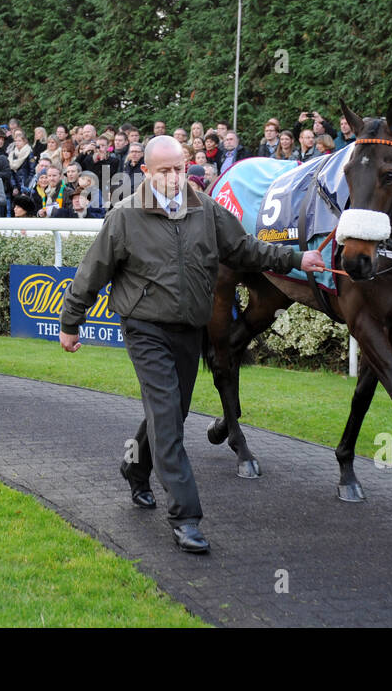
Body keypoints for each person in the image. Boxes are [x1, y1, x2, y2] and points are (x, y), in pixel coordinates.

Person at [58, 136, 327, 554]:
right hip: (144, 328)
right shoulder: (124, 217)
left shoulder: (205, 209)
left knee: (172, 413)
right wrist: (70, 322)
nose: (174, 177)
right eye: (164, 170)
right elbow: (91, 273)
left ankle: (135, 466)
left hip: (189, 329)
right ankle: (186, 517)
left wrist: (296, 260)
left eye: (179, 168)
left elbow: (243, 248)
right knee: (168, 417)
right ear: (146, 172)